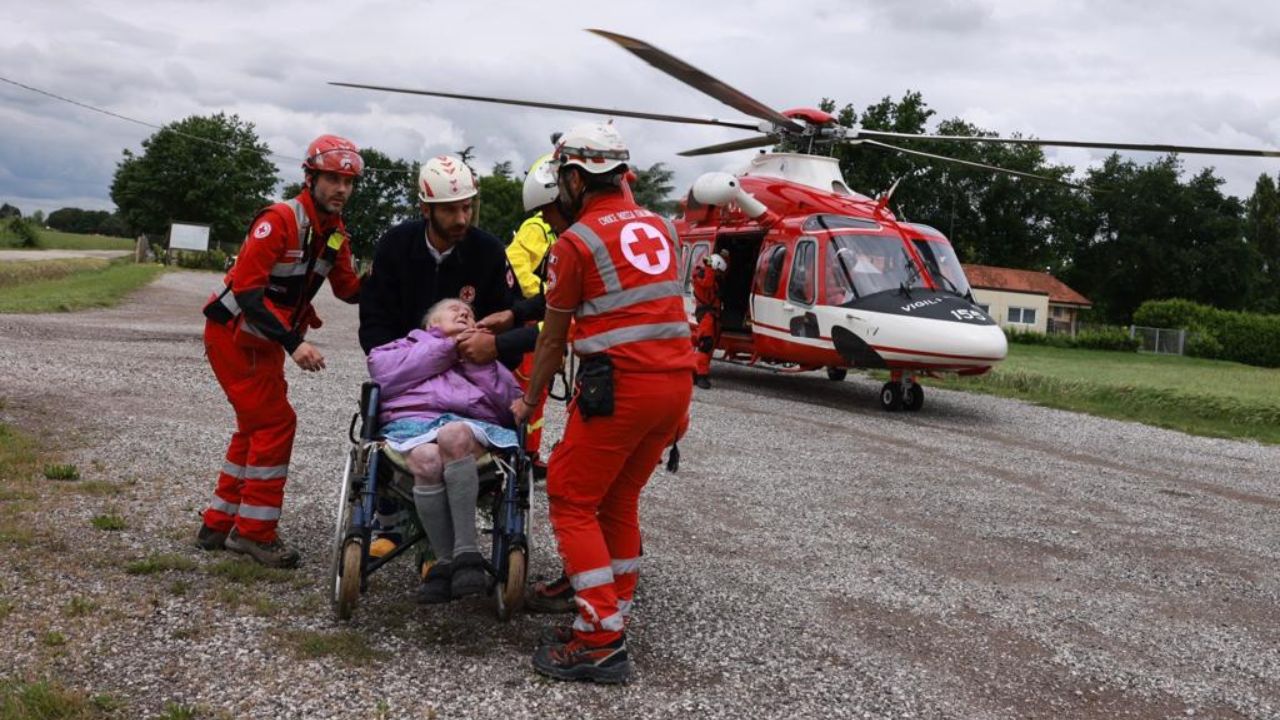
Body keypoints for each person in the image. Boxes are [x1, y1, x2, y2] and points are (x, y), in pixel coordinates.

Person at [512, 121, 695, 684]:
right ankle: (615, 609)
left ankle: (599, 640)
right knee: (617, 499)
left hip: (623, 387)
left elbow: (551, 336)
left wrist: (528, 399)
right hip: (676, 387)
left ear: (572, 177)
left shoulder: (575, 243)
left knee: (569, 495)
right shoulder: (661, 227)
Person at [196, 134, 364, 568]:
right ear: (310, 177)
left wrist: (401, 277)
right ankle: (253, 533)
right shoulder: (279, 220)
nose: (341, 189)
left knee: (256, 425)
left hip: (261, 339)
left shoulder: (335, 233)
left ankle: (218, 524)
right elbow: (249, 293)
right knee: (275, 423)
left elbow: (350, 290)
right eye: (332, 179)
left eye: (349, 181)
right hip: (235, 336)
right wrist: (295, 343)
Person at [358, 154, 535, 558]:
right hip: (410, 372)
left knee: (453, 442)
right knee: (408, 442)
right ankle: (393, 521)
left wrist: (488, 353)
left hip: (471, 383)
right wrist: (419, 355)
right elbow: (374, 326)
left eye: (467, 206)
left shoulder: (488, 251)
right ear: (425, 209)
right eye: (451, 210)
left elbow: (517, 322)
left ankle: (446, 549)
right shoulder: (395, 246)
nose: (462, 218)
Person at [367, 298, 521, 602]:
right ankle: (447, 562)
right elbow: (382, 374)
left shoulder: (487, 355)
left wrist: (475, 361)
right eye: (454, 310)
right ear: (430, 324)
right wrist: (449, 349)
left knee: (453, 434)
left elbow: (511, 404)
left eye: (470, 314)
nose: (464, 313)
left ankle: (466, 551)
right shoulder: (403, 347)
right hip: (412, 427)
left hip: (472, 427)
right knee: (426, 458)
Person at [506, 154, 560, 476]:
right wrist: (539, 294)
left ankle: (529, 451)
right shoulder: (538, 227)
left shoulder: (556, 232)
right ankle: (520, 451)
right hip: (532, 321)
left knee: (537, 394)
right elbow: (515, 256)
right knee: (528, 389)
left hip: (543, 319)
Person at [691, 249, 729, 389]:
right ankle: (700, 375)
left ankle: (696, 373)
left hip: (713, 316)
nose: (719, 275)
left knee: (709, 345)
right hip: (708, 316)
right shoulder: (703, 278)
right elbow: (707, 282)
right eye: (718, 272)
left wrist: (724, 258)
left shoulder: (710, 279)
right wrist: (710, 267)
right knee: (705, 344)